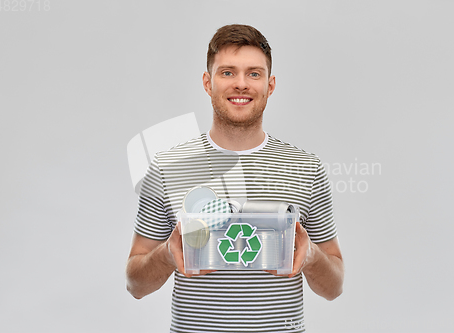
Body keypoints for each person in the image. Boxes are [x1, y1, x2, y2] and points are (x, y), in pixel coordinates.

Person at [126, 24, 344, 333]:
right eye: (227, 72)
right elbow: (135, 283)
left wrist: (311, 256)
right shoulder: (168, 167)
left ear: (270, 85)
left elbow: (334, 287)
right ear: (207, 82)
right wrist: (166, 255)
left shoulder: (305, 168)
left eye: (254, 74)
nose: (241, 84)